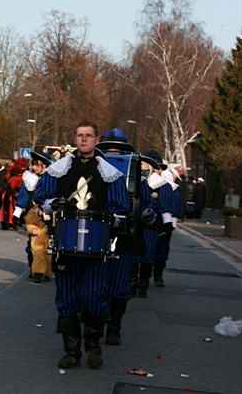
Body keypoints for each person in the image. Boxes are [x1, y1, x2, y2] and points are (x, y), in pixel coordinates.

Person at [35, 121, 129, 370]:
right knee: (66, 298)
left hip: (97, 247)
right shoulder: (60, 168)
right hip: (65, 244)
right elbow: (41, 195)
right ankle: (72, 351)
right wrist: (51, 204)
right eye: (79, 135)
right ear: (75, 138)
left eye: (88, 136)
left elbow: (121, 206)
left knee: (93, 297)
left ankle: (94, 346)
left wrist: (113, 217)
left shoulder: (110, 172)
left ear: (97, 139)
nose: (83, 139)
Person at [96, 127, 140, 346]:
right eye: (109, 149)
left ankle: (114, 327)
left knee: (119, 287)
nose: (114, 154)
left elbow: (139, 201)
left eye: (117, 149)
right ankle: (97, 325)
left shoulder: (133, 170)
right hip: (98, 232)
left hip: (122, 238)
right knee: (96, 284)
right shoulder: (94, 168)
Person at [133, 150, 175, 298]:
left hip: (150, 226)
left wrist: (166, 223)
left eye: (146, 164)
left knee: (147, 254)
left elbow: (165, 206)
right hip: (133, 224)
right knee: (131, 255)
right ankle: (131, 282)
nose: (143, 167)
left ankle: (143, 283)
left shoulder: (162, 184)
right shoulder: (135, 181)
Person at [13, 151, 53, 282]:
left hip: (49, 215)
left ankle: (46, 271)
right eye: (33, 164)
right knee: (35, 245)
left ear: (43, 165)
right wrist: (17, 213)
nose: (34, 167)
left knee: (47, 246)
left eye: (37, 165)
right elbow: (23, 196)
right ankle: (37, 271)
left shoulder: (51, 178)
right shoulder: (29, 179)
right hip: (33, 215)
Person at [153, 165, 183, 287]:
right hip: (161, 223)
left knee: (160, 250)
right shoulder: (168, 188)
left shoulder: (171, 189)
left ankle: (156, 275)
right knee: (159, 249)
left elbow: (174, 209)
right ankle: (156, 276)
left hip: (164, 223)